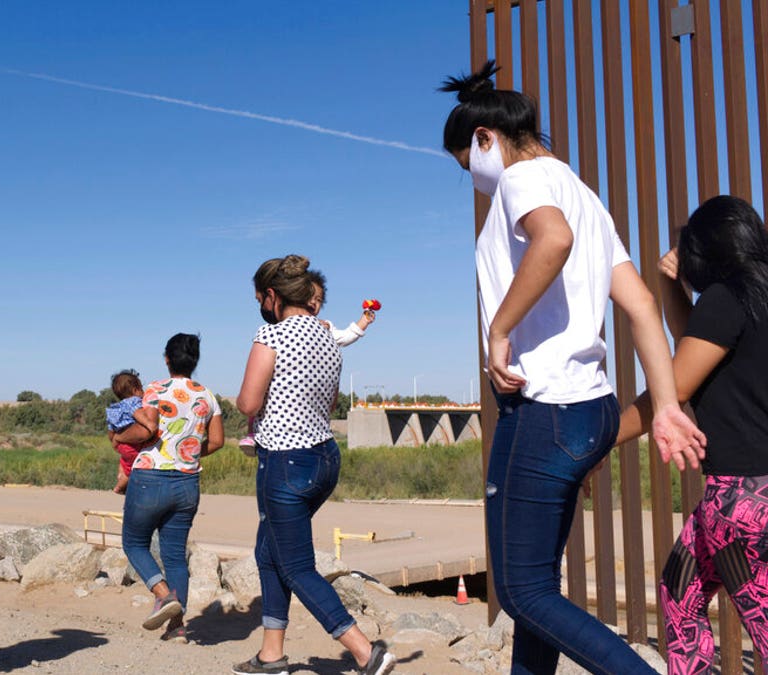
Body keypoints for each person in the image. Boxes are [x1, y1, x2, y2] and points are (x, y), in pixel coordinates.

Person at [440, 60, 705, 674]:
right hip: (587, 410)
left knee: (523, 592)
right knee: (540, 588)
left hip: (545, 410)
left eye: (466, 166)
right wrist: (665, 405)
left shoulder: (521, 179)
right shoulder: (583, 195)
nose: (474, 180)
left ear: (485, 139)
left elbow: (551, 241)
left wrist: (500, 330)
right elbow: (641, 305)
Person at [614, 195, 768, 673]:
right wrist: (669, 283)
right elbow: (696, 345)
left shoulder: (729, 298)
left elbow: (675, 384)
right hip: (745, 494)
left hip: (739, 499)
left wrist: (602, 437)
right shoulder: (752, 296)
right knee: (679, 594)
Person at [233, 255, 394, 675]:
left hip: (284, 462)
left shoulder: (270, 336)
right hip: (324, 458)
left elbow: (248, 402)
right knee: (268, 551)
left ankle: (364, 651)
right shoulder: (327, 337)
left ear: (272, 296)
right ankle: (272, 654)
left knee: (296, 565)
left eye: (260, 298)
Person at [113, 333, 223, 643]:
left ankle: (161, 594)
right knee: (175, 556)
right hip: (187, 483)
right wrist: (187, 453)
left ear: (166, 359)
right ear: (195, 361)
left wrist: (120, 438)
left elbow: (144, 428)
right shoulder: (208, 396)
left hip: (150, 477)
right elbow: (216, 441)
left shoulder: (154, 390)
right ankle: (177, 628)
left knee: (134, 543)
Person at [239, 274, 377, 455]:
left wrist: (363, 323)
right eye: (310, 298)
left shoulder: (274, 334)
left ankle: (252, 434)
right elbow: (332, 404)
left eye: (319, 300)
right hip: (324, 447)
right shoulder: (326, 336)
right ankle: (252, 434)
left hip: (285, 450)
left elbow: (248, 405)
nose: (314, 303)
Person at [105, 369, 156, 494]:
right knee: (131, 468)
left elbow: (111, 430)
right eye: (141, 388)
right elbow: (138, 414)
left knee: (124, 461)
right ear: (134, 390)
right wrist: (150, 424)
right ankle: (119, 487)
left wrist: (114, 440)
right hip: (132, 445)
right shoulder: (133, 402)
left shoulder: (116, 408)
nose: (143, 392)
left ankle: (120, 475)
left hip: (123, 446)